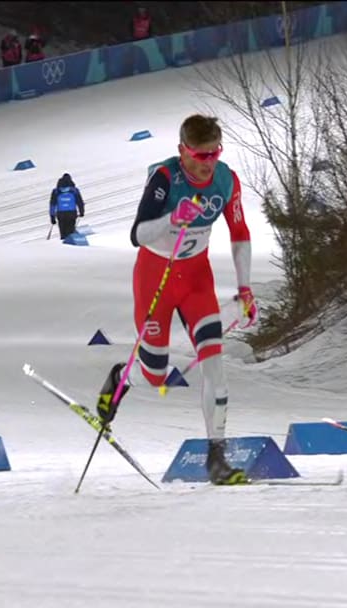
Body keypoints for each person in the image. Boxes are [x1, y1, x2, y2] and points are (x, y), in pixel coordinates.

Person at [95, 114, 258, 485]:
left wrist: (245, 287)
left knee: (215, 364)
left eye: (213, 154)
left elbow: (240, 231)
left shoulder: (226, 179)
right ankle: (120, 378)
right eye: (199, 156)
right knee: (154, 374)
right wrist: (173, 218)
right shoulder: (165, 179)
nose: (207, 163)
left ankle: (217, 457)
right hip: (156, 279)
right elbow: (138, 234)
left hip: (196, 280)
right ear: (182, 151)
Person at [49, 173, 85, 240]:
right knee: (71, 230)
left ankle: (64, 244)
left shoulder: (56, 191)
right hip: (72, 213)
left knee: (63, 232)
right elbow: (80, 202)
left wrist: (52, 217)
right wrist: (81, 212)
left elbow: (52, 205)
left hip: (61, 214)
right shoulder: (74, 190)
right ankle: (71, 246)